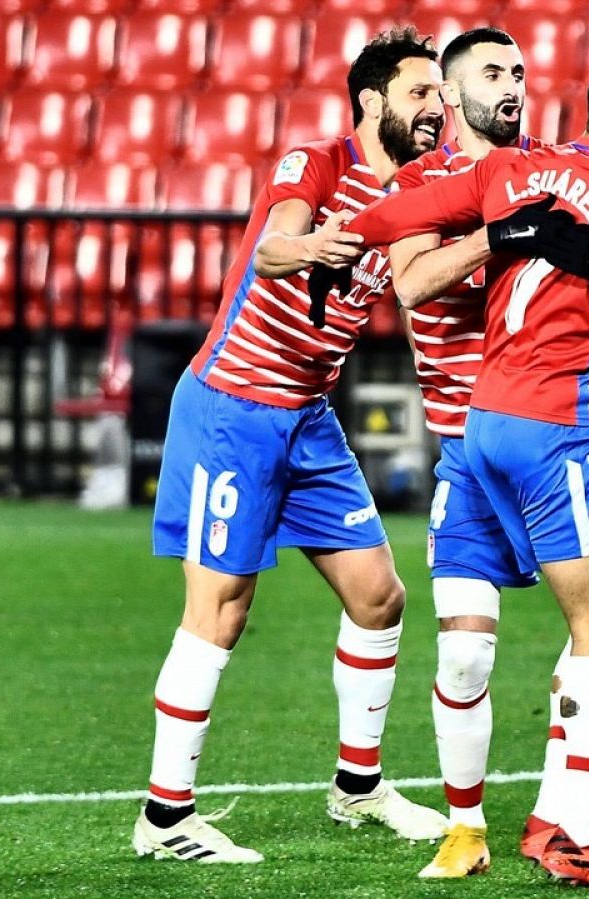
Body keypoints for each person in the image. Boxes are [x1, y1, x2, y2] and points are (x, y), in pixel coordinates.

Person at [347, 49, 589, 891]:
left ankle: (568, 818)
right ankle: (472, 827)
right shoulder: (461, 178)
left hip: (549, 430)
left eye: (518, 72)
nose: (510, 87)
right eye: (489, 74)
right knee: (478, 658)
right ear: (450, 93)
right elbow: (409, 283)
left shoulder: (535, 167)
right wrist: (502, 236)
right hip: (487, 440)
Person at [133, 27, 453, 862]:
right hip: (232, 410)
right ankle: (164, 819)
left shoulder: (420, 193)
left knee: (380, 597)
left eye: (440, 97)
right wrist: (306, 246)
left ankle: (358, 788)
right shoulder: (314, 162)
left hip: (308, 417)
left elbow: (422, 279)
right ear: (372, 102)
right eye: (421, 94)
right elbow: (277, 239)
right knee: (220, 612)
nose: (436, 110)